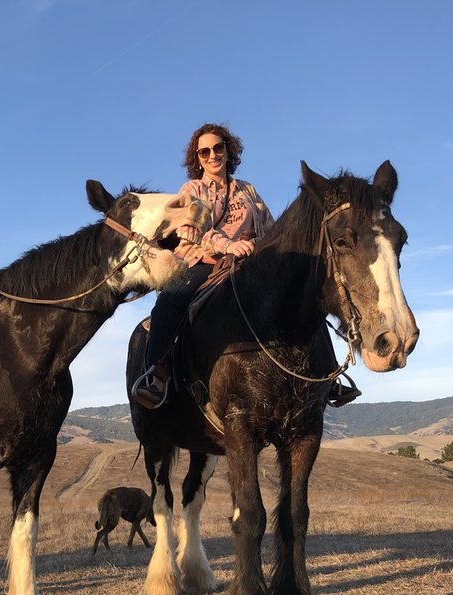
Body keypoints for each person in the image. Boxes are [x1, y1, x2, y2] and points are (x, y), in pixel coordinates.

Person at [132, 123, 360, 409]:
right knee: (170, 300)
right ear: (197, 158)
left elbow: (270, 226)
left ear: (228, 150)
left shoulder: (247, 189)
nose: (213, 155)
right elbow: (195, 227)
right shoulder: (192, 189)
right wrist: (228, 245)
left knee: (306, 290)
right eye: (205, 152)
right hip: (204, 260)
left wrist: (283, 252)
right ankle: (157, 374)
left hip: (251, 260)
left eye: (218, 148)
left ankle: (327, 375)